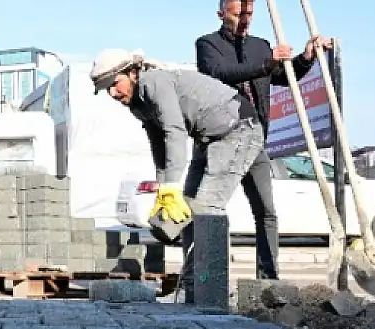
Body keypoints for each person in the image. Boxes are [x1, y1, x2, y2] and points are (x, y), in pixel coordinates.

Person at [90, 48, 266, 302]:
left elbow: (174, 131)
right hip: (207, 138)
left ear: (131, 72)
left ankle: (212, 293)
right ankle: (191, 290)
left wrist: (171, 185)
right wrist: (164, 189)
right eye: (107, 89)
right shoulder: (137, 102)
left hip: (238, 129)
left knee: (207, 208)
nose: (113, 93)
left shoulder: (153, 82)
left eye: (115, 84)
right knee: (186, 211)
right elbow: (158, 143)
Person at [195, 0, 330, 281]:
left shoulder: (260, 46)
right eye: (237, 15)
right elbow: (220, 74)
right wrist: (267, 63)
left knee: (266, 211)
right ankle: (200, 280)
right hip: (221, 141)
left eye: (248, 15)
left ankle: (268, 279)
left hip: (255, 141)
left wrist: (305, 57)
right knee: (209, 210)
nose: (244, 20)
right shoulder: (208, 45)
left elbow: (282, 76)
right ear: (221, 15)